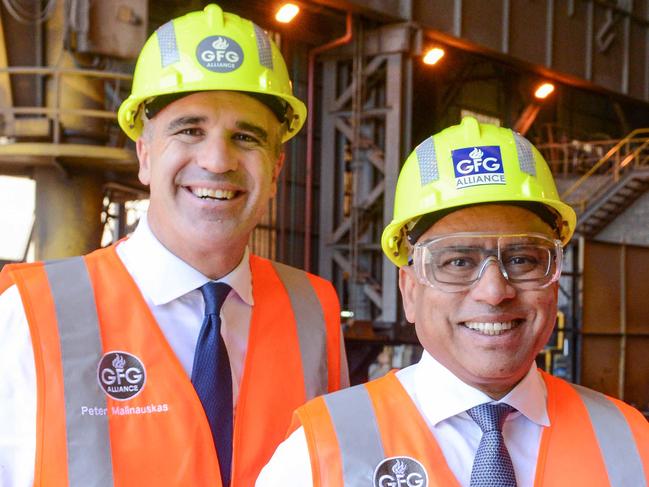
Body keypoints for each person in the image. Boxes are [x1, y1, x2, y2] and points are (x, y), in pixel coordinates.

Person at [0, 4, 348, 486]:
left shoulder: (312, 310)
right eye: (190, 130)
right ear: (145, 154)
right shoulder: (34, 314)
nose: (217, 160)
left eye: (245, 137)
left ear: (276, 172)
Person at [256, 117, 649, 486]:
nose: (495, 291)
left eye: (523, 259)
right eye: (458, 262)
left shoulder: (631, 444)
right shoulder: (320, 454)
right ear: (409, 291)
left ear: (554, 279)